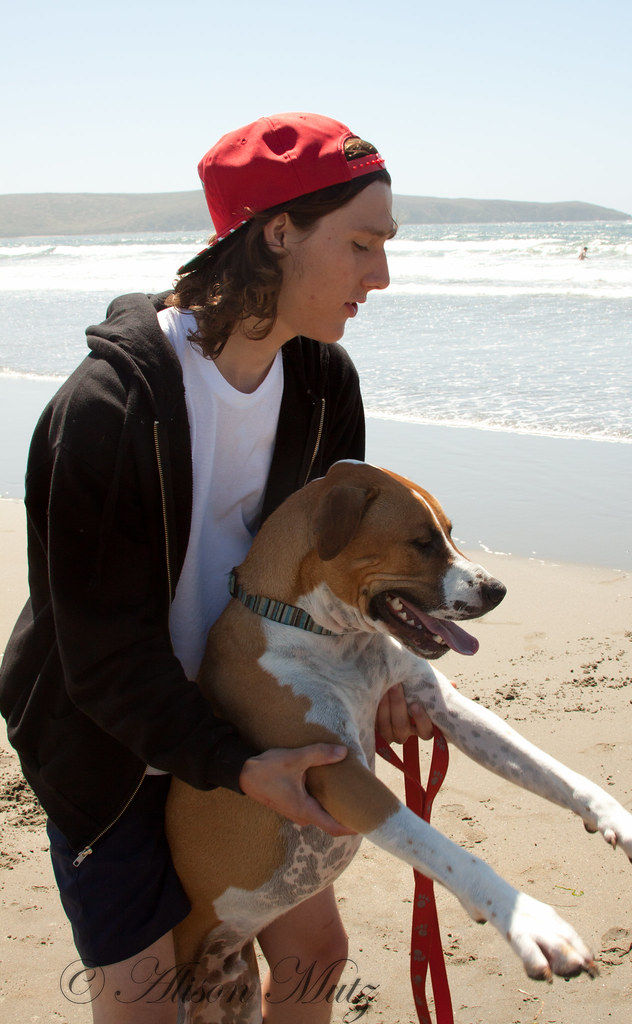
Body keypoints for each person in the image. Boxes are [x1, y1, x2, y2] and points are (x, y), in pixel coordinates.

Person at [0, 112, 432, 1024]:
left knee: (314, 955)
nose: (381, 276)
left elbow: (334, 572)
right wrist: (232, 765)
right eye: (361, 244)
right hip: (113, 744)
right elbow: (100, 658)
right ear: (276, 233)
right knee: (151, 1000)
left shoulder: (323, 383)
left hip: (252, 705)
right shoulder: (107, 407)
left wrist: (384, 670)